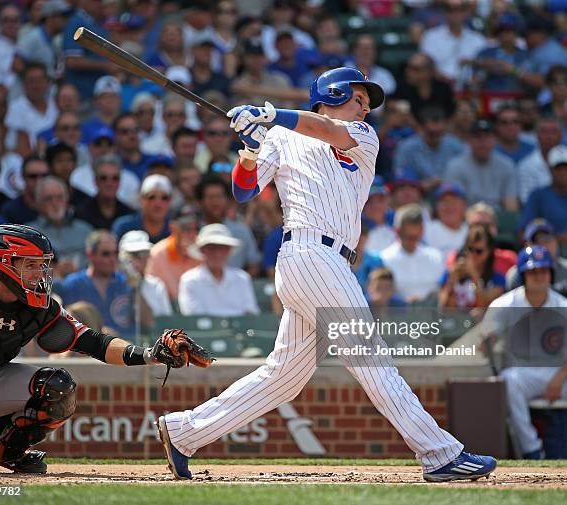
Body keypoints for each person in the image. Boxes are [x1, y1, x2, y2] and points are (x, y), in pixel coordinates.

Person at [156, 67, 496, 482]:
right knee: (370, 358)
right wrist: (248, 148)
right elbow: (243, 191)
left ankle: (183, 431)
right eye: (359, 100)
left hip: (327, 261)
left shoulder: (360, 136)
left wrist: (270, 115)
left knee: (283, 377)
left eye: (367, 105)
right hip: (307, 253)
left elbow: (324, 129)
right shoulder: (280, 136)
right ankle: (440, 454)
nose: (365, 109)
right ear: (333, 93)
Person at [0, 223, 199, 473]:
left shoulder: (41, 307)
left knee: (57, 386)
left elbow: (94, 342)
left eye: (42, 265)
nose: (39, 273)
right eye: (30, 265)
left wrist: (150, 355)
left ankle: (0, 450)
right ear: (2, 262)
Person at [480, 245, 567, 459]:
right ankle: (532, 450)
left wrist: (559, 377)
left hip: (559, 373)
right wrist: (488, 338)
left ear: (551, 274)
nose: (539, 276)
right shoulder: (506, 304)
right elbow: (485, 339)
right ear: (522, 276)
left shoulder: (562, 304)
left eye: (544, 271)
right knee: (509, 380)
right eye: (533, 272)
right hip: (523, 372)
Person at [53, 230, 135, 337]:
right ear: (90, 254)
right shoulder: (73, 285)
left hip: (124, 347)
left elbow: (146, 323)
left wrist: (137, 286)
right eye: (106, 254)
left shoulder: (125, 282)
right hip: (86, 349)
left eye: (115, 253)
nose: (112, 259)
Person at [178, 224, 259, 317]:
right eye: (212, 248)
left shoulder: (242, 278)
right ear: (202, 250)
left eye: (222, 248)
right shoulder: (190, 280)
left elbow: (251, 313)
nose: (217, 254)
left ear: (229, 251)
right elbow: (193, 317)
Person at [444, 119, 518, 211]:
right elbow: (454, 206)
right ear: (469, 140)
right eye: (478, 137)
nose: (483, 142)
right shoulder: (455, 166)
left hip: (499, 221)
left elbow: (511, 206)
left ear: (495, 140)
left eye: (487, 137)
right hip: (465, 220)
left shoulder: (507, 165)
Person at [27, 176, 93, 277]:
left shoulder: (85, 230)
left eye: (59, 197)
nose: (55, 203)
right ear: (38, 203)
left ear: (67, 200)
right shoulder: (29, 234)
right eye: (48, 199)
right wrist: (55, 270)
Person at [196, 175, 261, 274]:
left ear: (228, 200)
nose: (215, 202)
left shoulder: (241, 230)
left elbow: (253, 265)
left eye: (219, 197)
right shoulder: (193, 231)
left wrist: (238, 283)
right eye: (210, 197)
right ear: (200, 202)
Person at [380, 203, 444, 303]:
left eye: (416, 237)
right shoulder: (384, 259)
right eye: (408, 237)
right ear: (397, 231)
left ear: (422, 231)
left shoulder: (436, 257)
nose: (412, 242)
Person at [392, 106, 464, 191]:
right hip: (418, 197)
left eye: (439, 133)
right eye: (431, 133)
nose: (435, 137)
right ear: (421, 128)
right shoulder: (406, 148)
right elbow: (399, 180)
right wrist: (421, 186)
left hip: (450, 195)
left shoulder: (456, 146)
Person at [439, 224, 506, 310]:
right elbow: (444, 308)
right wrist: (451, 282)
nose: (473, 255)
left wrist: (474, 276)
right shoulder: (451, 273)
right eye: (470, 249)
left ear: (489, 251)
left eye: (479, 251)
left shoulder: (498, 280)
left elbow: (484, 305)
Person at [419, 0, 486, 85]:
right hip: (439, 86)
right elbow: (426, 64)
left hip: (470, 88)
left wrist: (477, 78)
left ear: (466, 12)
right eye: (451, 10)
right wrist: (446, 81)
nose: (456, 14)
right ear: (445, 12)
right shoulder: (430, 37)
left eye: (461, 10)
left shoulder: (478, 39)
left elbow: (483, 68)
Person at [118, 230, 172, 331]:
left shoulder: (156, 286)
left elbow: (157, 324)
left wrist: (135, 288)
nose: (141, 260)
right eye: (134, 254)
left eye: (145, 254)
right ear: (122, 257)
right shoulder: (112, 283)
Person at [146, 205, 201, 301]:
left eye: (196, 229)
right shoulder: (157, 255)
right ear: (173, 228)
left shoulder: (205, 251)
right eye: (186, 228)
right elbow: (152, 294)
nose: (192, 234)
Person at [519, 145, 567, 246]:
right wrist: (552, 240)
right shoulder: (538, 196)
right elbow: (523, 233)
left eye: (566, 168)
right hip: (547, 254)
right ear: (549, 169)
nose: (563, 172)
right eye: (558, 168)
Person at [506, 220, 567, 296]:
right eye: (536, 240)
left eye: (547, 238)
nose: (543, 244)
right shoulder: (517, 273)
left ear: (556, 242)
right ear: (527, 246)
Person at [74, 155, 134, 230]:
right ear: (95, 181)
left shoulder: (129, 214)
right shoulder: (81, 212)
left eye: (115, 178)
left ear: (120, 182)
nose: (109, 183)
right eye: (103, 178)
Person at [112, 174, 172, 243]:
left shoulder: (175, 231)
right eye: (151, 197)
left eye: (164, 198)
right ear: (141, 199)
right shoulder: (124, 227)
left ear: (170, 201)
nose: (158, 204)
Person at [517, 116, 564, 205]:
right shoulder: (526, 165)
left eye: (554, 132)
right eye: (544, 132)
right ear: (536, 135)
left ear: (561, 135)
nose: (549, 136)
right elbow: (527, 200)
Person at [423, 183, 468, 262]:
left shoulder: (471, 232)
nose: (449, 206)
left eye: (454, 202)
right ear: (436, 207)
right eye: (444, 202)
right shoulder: (425, 230)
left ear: (464, 206)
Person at [0, 156, 49, 224]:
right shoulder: (10, 211)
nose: (39, 181)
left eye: (44, 176)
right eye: (32, 176)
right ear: (22, 176)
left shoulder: (58, 206)